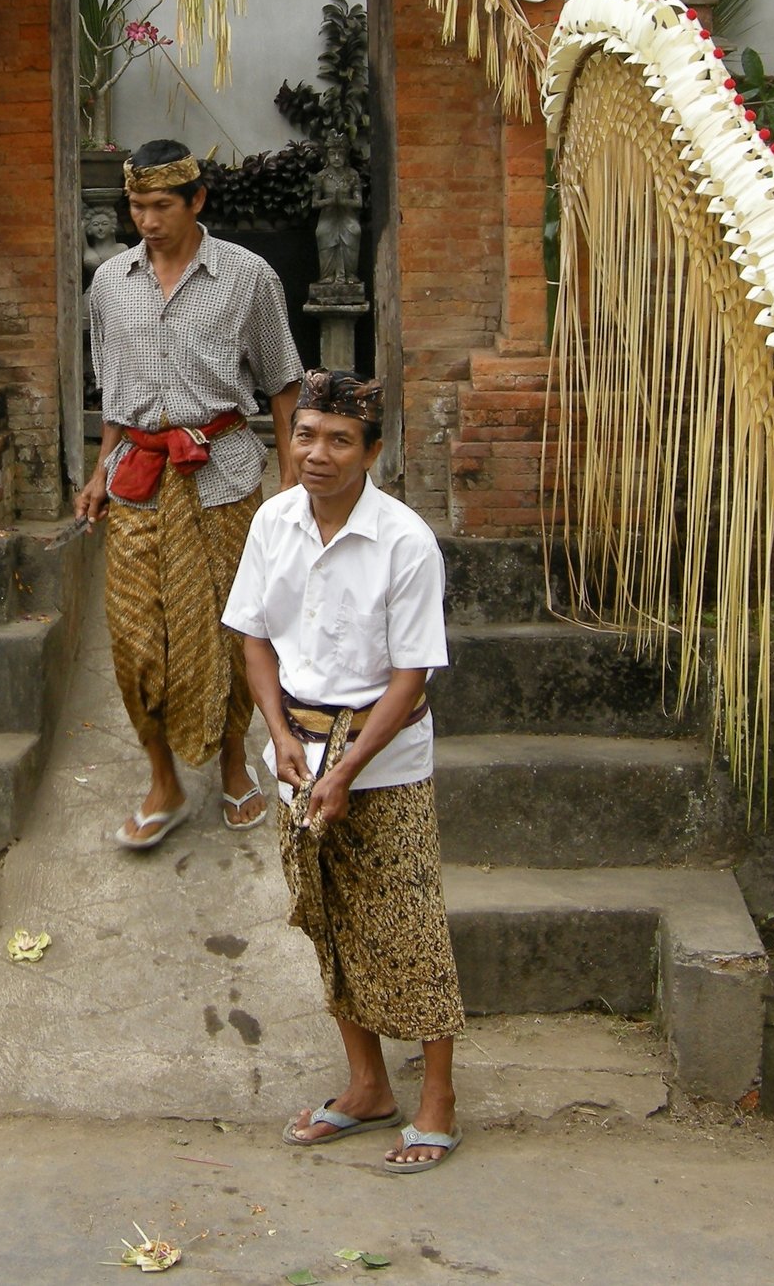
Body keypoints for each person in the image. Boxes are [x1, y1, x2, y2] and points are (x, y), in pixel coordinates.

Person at [224, 367, 465, 1173]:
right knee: (327, 920)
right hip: (299, 754)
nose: (316, 453)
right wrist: (279, 732)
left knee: (410, 924)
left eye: (337, 440)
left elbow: (411, 676)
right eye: (305, 435)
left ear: (372, 452)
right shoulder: (272, 523)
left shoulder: (404, 540)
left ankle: (437, 1098)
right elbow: (254, 635)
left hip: (384, 760)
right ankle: (368, 1086)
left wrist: (348, 765)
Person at [76, 138, 303, 847]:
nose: (145, 219)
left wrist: (291, 483)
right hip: (138, 481)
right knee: (135, 638)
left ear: (197, 201)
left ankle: (234, 763)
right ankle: (163, 779)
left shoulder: (247, 277)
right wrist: (98, 470)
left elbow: (285, 383)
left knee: (232, 630)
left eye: (160, 205)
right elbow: (113, 392)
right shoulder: (109, 282)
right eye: (136, 205)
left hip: (225, 478)